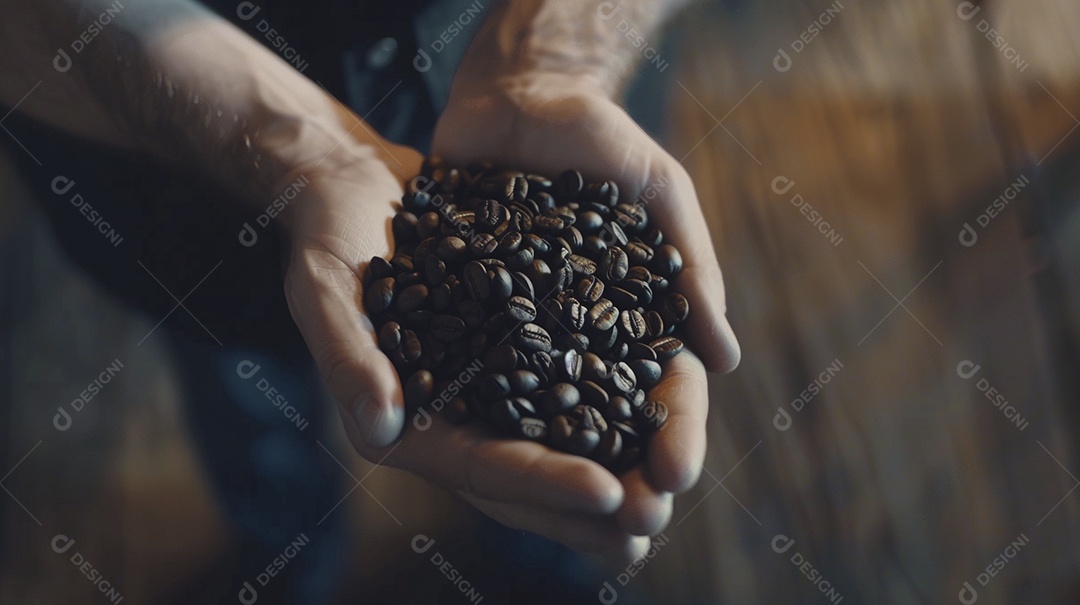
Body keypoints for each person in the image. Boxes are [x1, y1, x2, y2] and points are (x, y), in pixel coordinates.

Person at [0, 0, 740, 601]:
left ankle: (547, 565)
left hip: (549, 91)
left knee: (560, 487)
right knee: (241, 396)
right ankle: (283, 557)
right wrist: (300, 146)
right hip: (167, 180)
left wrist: (568, 40)